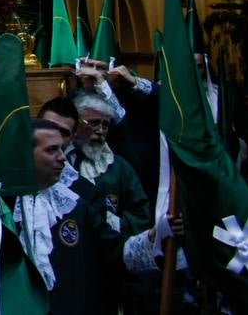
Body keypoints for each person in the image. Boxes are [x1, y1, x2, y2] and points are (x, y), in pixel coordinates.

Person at [17, 119, 129, 315]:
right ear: (26, 154)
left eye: (62, 149)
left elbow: (114, 248)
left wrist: (155, 238)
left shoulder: (73, 205)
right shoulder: (4, 208)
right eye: (52, 150)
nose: (62, 158)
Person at [70, 91, 152, 235]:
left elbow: (141, 214)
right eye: (94, 123)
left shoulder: (119, 168)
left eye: (105, 125)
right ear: (75, 123)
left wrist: (117, 225)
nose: (100, 131)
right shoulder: (61, 163)